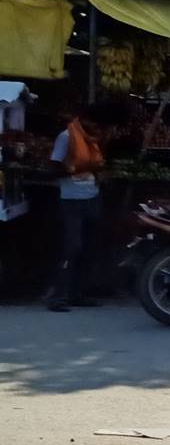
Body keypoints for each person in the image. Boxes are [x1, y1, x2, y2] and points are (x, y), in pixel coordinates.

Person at [44, 105, 108, 311]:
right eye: (95, 124)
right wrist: (78, 169)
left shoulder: (92, 139)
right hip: (71, 200)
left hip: (91, 197)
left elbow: (97, 165)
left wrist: (96, 173)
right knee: (73, 247)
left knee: (88, 248)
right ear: (85, 119)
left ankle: (78, 293)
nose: (97, 128)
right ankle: (57, 297)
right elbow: (54, 167)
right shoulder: (65, 137)